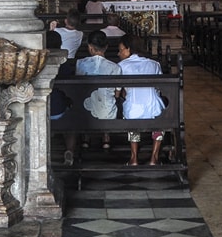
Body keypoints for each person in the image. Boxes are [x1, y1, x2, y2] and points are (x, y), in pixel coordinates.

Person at [70, 30, 122, 162]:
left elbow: (78, 88)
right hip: (107, 112)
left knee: (86, 99)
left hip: (86, 110)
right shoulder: (115, 67)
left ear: (90, 47)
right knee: (108, 101)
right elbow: (117, 93)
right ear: (106, 47)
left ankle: (86, 137)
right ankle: (106, 136)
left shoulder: (80, 63)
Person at [117, 34, 166, 166]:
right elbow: (159, 88)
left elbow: (118, 91)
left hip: (133, 110)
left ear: (129, 49)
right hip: (154, 109)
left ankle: (134, 158)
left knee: (131, 115)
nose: (119, 53)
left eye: (121, 50)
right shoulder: (154, 64)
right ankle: (154, 158)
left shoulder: (121, 66)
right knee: (160, 118)